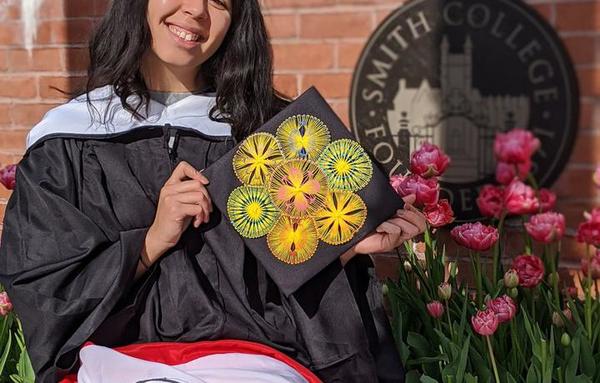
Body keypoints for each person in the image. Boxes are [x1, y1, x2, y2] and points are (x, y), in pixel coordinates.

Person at [0, 0, 426, 382]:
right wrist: (151, 242)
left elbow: (284, 292)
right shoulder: (67, 141)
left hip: (254, 364)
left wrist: (345, 246)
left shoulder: (271, 138)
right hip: (118, 363)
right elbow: (47, 287)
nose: (196, 11)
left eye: (219, 1)